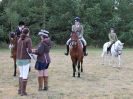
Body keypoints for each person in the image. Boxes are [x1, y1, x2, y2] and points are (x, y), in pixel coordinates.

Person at [16, 28, 32, 96]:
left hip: (18, 59)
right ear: (28, 32)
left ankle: (20, 90)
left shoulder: (19, 39)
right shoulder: (28, 39)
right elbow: (29, 51)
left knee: (21, 74)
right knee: (25, 75)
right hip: (25, 59)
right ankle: (23, 92)